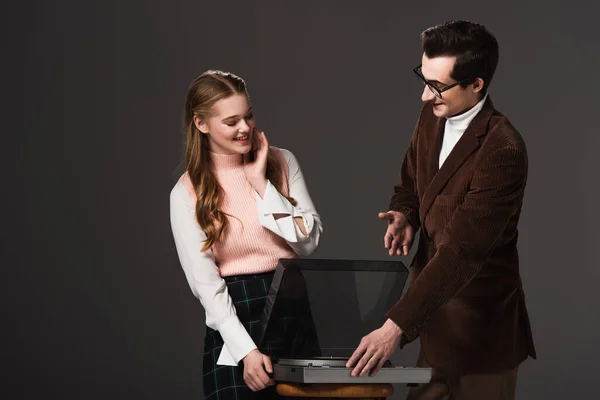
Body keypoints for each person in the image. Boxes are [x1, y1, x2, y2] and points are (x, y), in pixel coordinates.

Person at [346, 20, 536, 400]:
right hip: (433, 323)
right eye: (423, 78)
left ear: (476, 84)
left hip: (481, 336)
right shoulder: (431, 117)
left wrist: (394, 327)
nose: (423, 96)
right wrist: (406, 214)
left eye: (437, 86)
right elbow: (410, 183)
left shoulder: (503, 149)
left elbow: (462, 251)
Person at [169, 70, 323, 399]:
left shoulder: (281, 161)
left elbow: (308, 242)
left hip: (294, 307)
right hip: (237, 317)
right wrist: (245, 352)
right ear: (201, 124)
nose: (245, 129)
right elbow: (206, 285)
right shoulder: (186, 192)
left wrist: (261, 184)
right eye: (232, 121)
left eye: (249, 116)